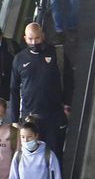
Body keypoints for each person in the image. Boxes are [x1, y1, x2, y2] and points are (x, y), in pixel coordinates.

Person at [10, 22, 72, 152]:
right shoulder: (19, 59)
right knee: (31, 153)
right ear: (25, 38)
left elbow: (69, 80)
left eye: (37, 38)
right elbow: (14, 89)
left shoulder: (57, 54)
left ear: (42, 35)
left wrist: (67, 105)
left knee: (55, 152)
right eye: (30, 39)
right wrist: (14, 119)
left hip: (54, 114)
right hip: (30, 115)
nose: (34, 42)